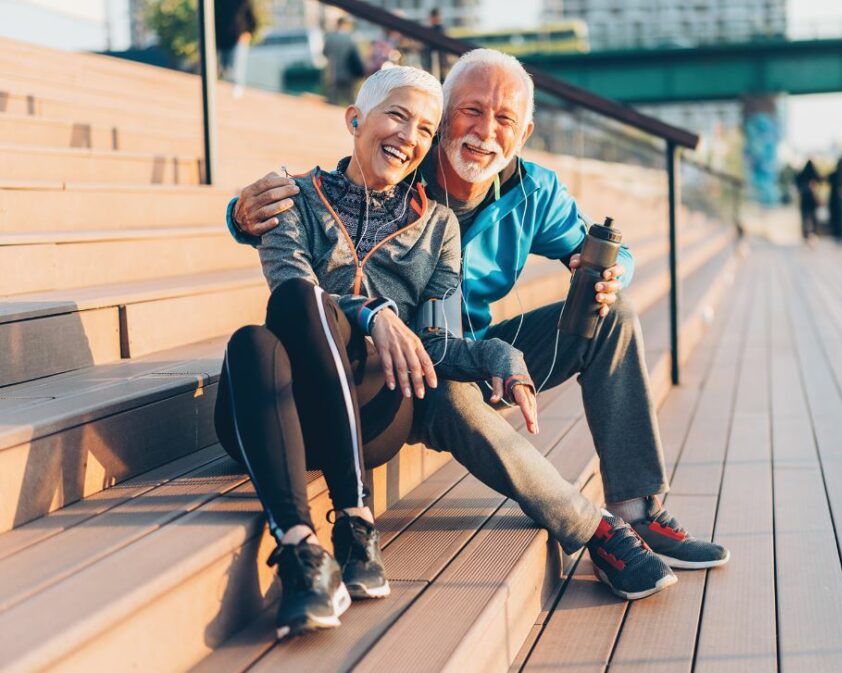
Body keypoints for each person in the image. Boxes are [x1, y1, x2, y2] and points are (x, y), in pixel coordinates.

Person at [226, 49, 730, 603]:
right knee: (453, 392)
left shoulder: (534, 192)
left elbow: (609, 254)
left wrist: (610, 276)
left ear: (525, 131)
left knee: (616, 314)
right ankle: (596, 532)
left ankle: (639, 509)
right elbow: (328, 214)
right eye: (469, 110)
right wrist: (240, 214)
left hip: (467, 349)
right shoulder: (406, 155)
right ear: (443, 115)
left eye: (505, 119)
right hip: (406, 371)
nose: (486, 131)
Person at [214, 67, 535, 639]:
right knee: (253, 340)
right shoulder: (292, 197)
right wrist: (371, 312)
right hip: (279, 413)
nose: (409, 136)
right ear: (355, 120)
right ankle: (310, 546)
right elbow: (290, 288)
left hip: (374, 413)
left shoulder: (439, 227)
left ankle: (340, 529)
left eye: (425, 129)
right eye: (397, 116)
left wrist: (495, 357)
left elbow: (436, 342)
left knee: (282, 316)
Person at [322, 16, 363, 106]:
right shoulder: (350, 38)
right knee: (350, 99)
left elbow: (325, 52)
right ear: (345, 25)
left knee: (333, 99)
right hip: (348, 72)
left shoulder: (330, 38)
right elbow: (355, 55)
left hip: (333, 72)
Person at [214, 0, 257, 83]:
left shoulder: (242, 1)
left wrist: (246, 34)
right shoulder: (216, 2)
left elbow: (252, 20)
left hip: (237, 42)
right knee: (223, 75)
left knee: (235, 76)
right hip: (221, 42)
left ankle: (234, 94)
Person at [794, 159, 821, 241]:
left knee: (805, 217)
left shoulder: (802, 175)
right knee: (813, 217)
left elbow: (796, 183)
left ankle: (805, 234)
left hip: (804, 199)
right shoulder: (813, 174)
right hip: (812, 199)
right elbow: (820, 180)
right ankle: (814, 233)